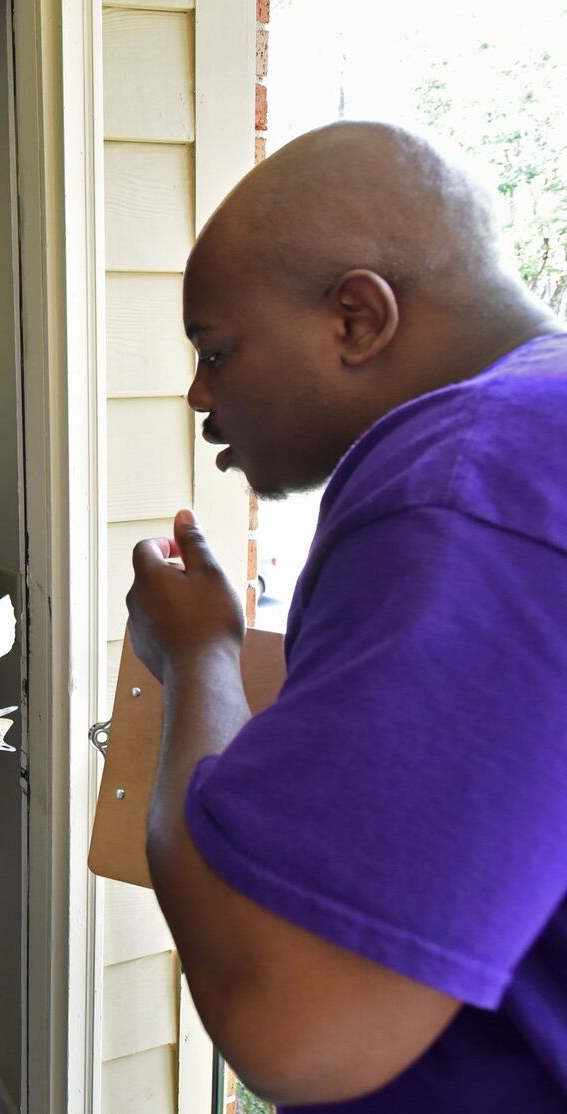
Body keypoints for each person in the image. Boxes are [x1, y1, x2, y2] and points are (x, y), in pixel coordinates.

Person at [125, 121, 567, 1112]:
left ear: (357, 318)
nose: (197, 393)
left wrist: (197, 655)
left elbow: (289, 1019)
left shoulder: (470, 480)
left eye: (216, 349)